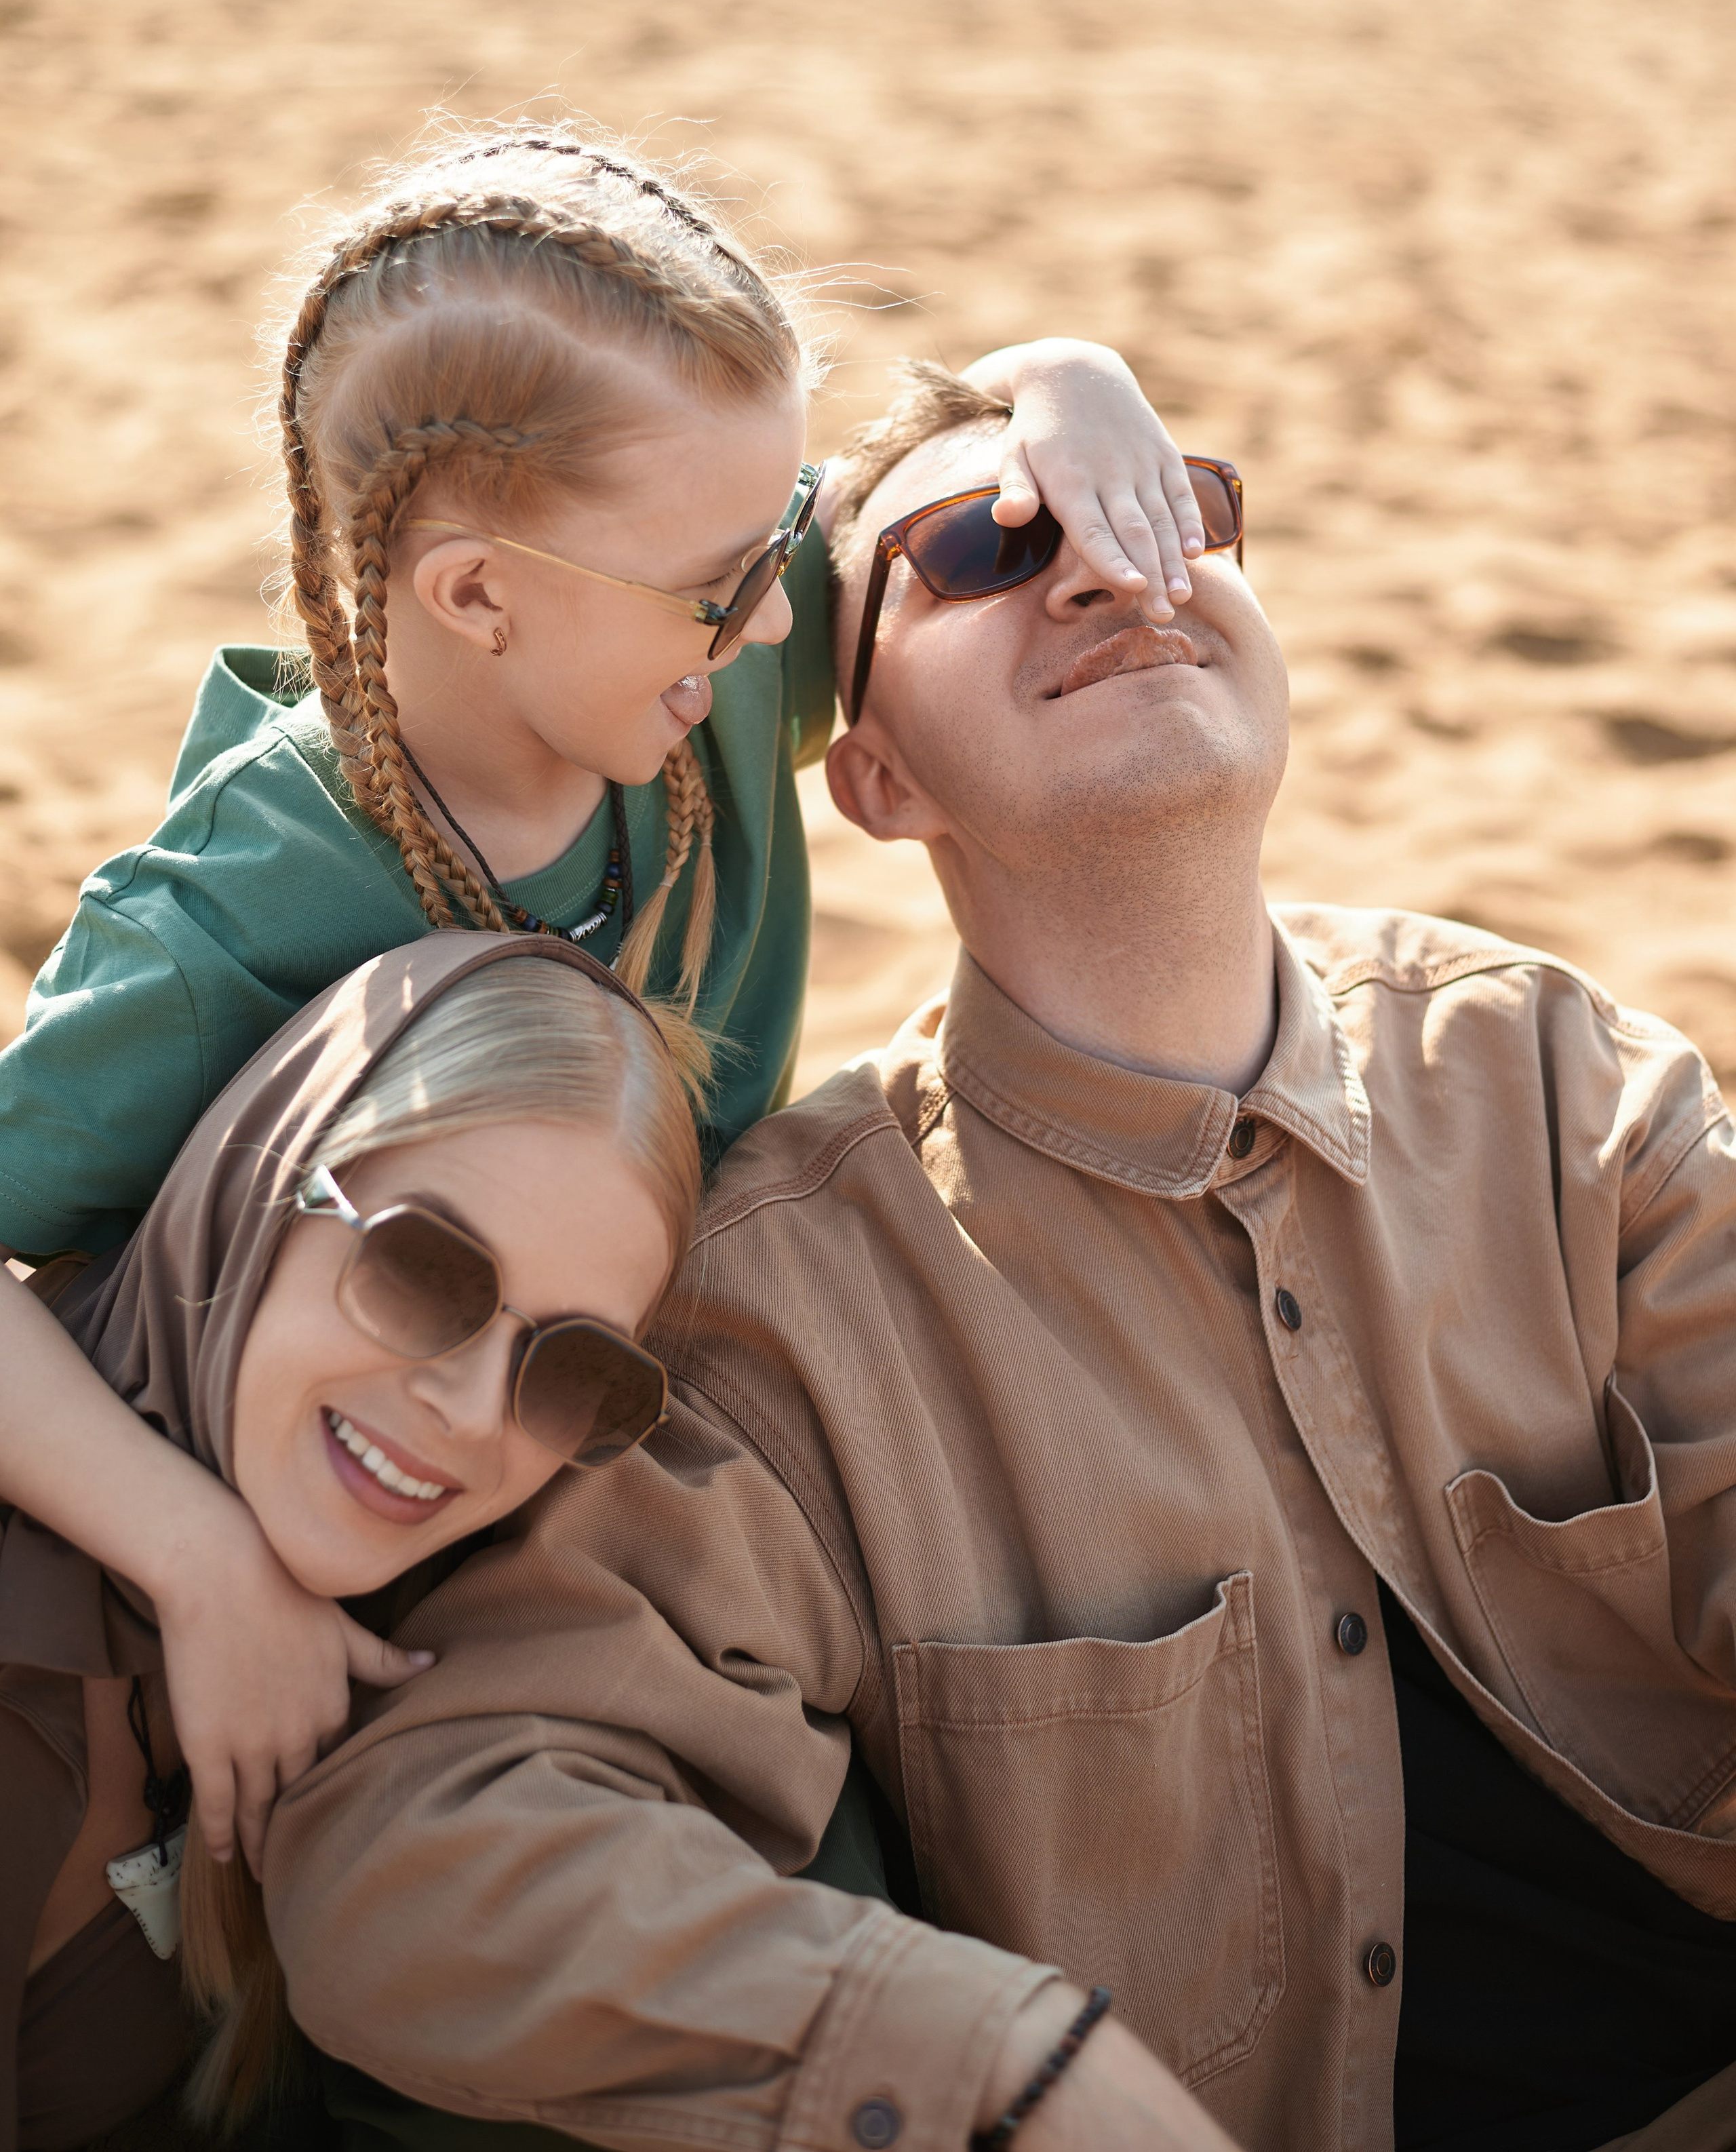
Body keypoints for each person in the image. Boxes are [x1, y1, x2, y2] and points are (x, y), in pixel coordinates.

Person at [264, 359, 1736, 2152]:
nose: (1117, 569)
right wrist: (983, 2057)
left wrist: (1062, 383)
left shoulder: (1556, 1079)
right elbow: (423, 1845)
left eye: (1168, 510)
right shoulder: (789, 1313)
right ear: (876, 777)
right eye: (980, 545)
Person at [0, 115, 1206, 1869]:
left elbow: (897, 497)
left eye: (774, 540)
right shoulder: (238, 907)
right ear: (476, 593)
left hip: (624, 1433)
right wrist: (202, 1562)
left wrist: (1064, 376)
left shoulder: (671, 660)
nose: (782, 624)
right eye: (728, 590)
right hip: (368, 1531)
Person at [0, 929, 703, 2152]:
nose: (475, 1414)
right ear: (265, 1189)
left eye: (576, 1371)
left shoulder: (436, 1645)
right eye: (426, 1269)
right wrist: (197, 1555)